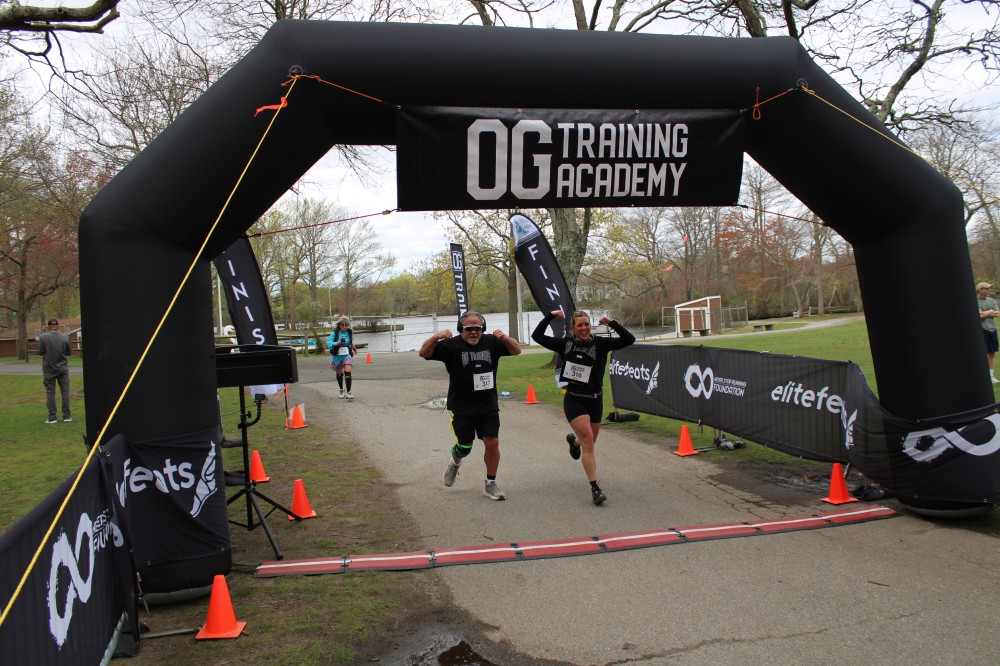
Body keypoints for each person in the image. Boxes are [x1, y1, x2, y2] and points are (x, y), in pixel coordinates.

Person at [532, 309, 635, 505]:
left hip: (595, 399)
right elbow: (537, 336)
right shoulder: (565, 344)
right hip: (575, 399)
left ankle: (574, 442)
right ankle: (595, 488)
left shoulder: (602, 344)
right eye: (579, 325)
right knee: (589, 442)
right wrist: (550, 316)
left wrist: (611, 323)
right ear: (573, 328)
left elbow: (629, 339)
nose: (584, 328)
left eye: (587, 324)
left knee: (589, 441)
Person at [419, 311, 521, 500]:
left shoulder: (492, 342)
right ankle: (455, 462)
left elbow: (516, 350)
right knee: (465, 447)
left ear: (483, 329)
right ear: (461, 329)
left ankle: (490, 483)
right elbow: (423, 353)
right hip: (462, 406)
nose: (474, 332)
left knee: (492, 442)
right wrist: (435, 337)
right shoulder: (451, 345)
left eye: (478, 328)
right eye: (469, 328)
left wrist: (506, 338)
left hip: (487, 405)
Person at [38, 318, 72, 424]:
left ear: (48, 327)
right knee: (65, 392)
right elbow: (69, 352)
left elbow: (40, 352)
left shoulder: (43, 337)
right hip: (62, 368)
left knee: (50, 393)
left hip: (49, 369)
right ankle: (66, 416)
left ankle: (52, 417)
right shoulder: (65, 337)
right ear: (57, 326)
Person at [327, 317, 357, 399]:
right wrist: (337, 343)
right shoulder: (335, 333)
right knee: (339, 373)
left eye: (346, 324)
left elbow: (350, 342)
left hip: (346, 354)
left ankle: (349, 392)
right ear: (339, 325)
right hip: (337, 355)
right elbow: (329, 343)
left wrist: (353, 347)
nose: (344, 326)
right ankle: (341, 389)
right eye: (342, 324)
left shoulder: (349, 332)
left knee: (348, 371)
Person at [977, 282, 1000, 384]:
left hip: (992, 330)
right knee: (982, 353)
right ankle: (982, 376)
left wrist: (984, 312)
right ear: (980, 290)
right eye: (986, 289)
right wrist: (990, 311)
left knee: (992, 353)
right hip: (981, 331)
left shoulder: (992, 300)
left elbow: (997, 313)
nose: (989, 290)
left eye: (989, 289)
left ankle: (991, 376)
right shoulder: (974, 301)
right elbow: (979, 315)